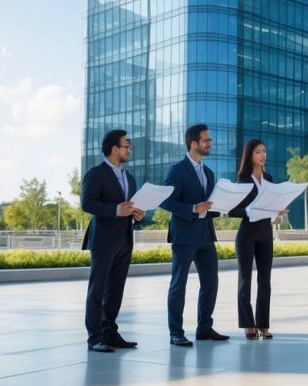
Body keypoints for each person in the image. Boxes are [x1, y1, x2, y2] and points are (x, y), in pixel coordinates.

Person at [160, 124, 227, 347]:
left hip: (206, 235)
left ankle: (205, 329)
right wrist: (192, 209)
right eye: (207, 140)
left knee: (211, 282)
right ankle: (175, 333)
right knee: (178, 284)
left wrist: (226, 205)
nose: (210, 144)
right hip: (185, 235)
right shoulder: (176, 170)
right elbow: (168, 201)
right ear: (194, 143)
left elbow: (209, 204)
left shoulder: (208, 172)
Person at [81, 129, 144, 352]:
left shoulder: (129, 177)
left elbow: (130, 205)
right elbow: (87, 203)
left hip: (125, 239)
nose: (129, 150)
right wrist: (116, 210)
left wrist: (137, 214)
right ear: (115, 149)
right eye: (126, 146)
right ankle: (94, 337)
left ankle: (110, 332)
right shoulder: (95, 174)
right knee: (97, 289)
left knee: (116, 290)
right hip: (103, 240)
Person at [228, 139, 282, 340]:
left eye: (264, 151)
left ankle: (263, 324)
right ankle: (247, 324)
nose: (263, 155)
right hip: (247, 234)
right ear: (250, 155)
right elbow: (233, 210)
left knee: (265, 281)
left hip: (265, 233)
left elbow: (272, 203)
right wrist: (251, 210)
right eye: (258, 151)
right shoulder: (242, 180)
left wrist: (278, 208)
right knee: (245, 280)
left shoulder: (269, 178)